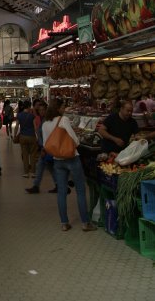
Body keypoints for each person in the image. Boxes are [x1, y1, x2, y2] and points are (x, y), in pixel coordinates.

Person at [42, 98, 96, 232]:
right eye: (63, 107)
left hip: (57, 160)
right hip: (72, 158)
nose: (64, 109)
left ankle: (64, 223)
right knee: (80, 191)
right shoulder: (63, 120)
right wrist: (75, 143)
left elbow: (45, 144)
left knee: (61, 192)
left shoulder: (45, 124)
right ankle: (85, 223)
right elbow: (75, 140)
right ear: (58, 108)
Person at [25, 102, 57, 194]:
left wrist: (44, 148)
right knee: (47, 167)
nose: (41, 112)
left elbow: (47, 136)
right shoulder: (42, 119)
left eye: (43, 110)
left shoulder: (47, 121)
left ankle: (36, 186)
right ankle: (56, 184)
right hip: (44, 147)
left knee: (42, 166)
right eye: (40, 110)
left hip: (46, 148)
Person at [13, 100, 39, 178]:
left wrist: (14, 135)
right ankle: (33, 172)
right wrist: (37, 137)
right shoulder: (32, 116)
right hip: (31, 136)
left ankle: (26, 172)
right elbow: (35, 127)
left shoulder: (19, 115)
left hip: (23, 137)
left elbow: (17, 126)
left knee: (25, 154)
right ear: (29, 106)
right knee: (33, 155)